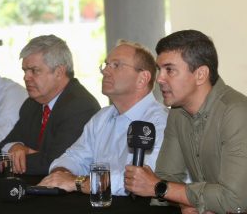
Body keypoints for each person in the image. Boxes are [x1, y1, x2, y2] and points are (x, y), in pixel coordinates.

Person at [124, 30, 247, 214]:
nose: (159, 79)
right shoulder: (178, 112)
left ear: (200, 74)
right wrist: (187, 202)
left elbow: (234, 200)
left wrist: (162, 189)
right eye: (159, 69)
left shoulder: (236, 111)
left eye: (169, 70)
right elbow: (167, 177)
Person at [39, 40, 168, 195]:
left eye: (116, 65)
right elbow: (75, 157)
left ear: (142, 78)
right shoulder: (102, 117)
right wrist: (61, 174)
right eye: (106, 65)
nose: (105, 71)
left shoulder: (161, 122)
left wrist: (78, 182)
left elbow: (143, 181)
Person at [0, 34, 101, 175]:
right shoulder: (33, 103)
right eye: (25, 70)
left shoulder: (80, 106)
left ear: (59, 72)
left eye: (34, 70)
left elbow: (56, 162)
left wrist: (10, 162)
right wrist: (16, 147)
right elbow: (1, 147)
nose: (26, 77)